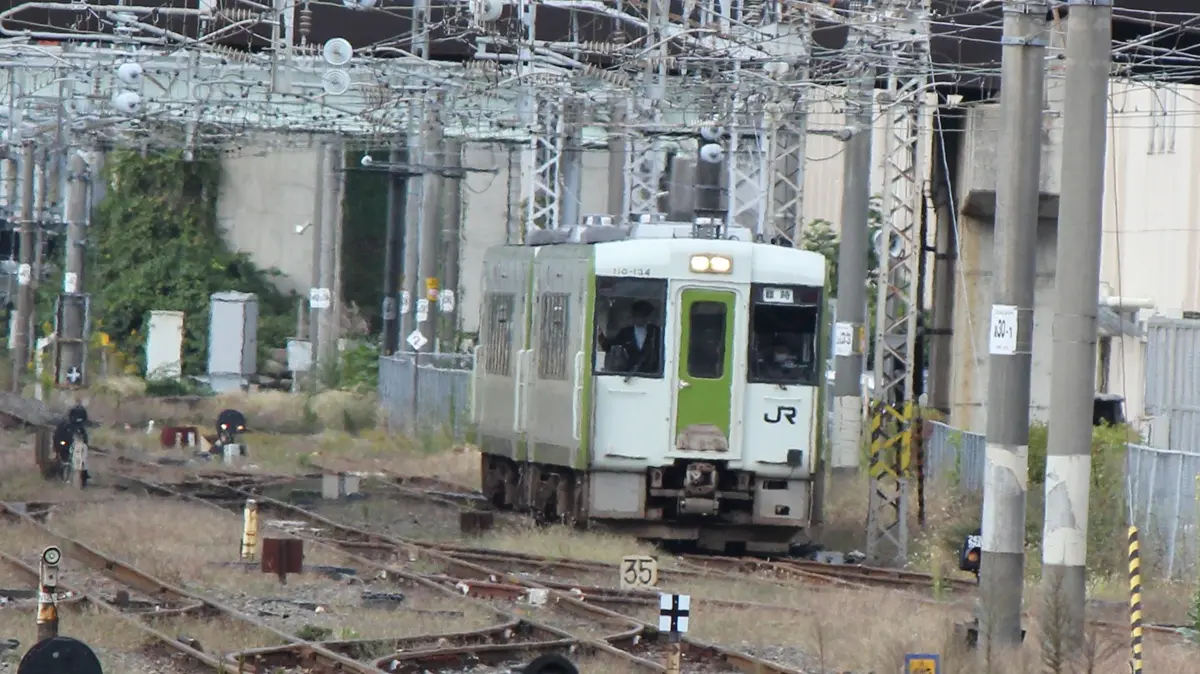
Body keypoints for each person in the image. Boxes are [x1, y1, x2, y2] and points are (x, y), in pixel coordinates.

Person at [598, 300, 661, 374]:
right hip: (628, 374)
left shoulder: (655, 332)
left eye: (642, 315)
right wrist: (600, 336)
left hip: (652, 376)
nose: (639, 318)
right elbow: (609, 348)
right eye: (637, 315)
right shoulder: (625, 333)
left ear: (647, 317)